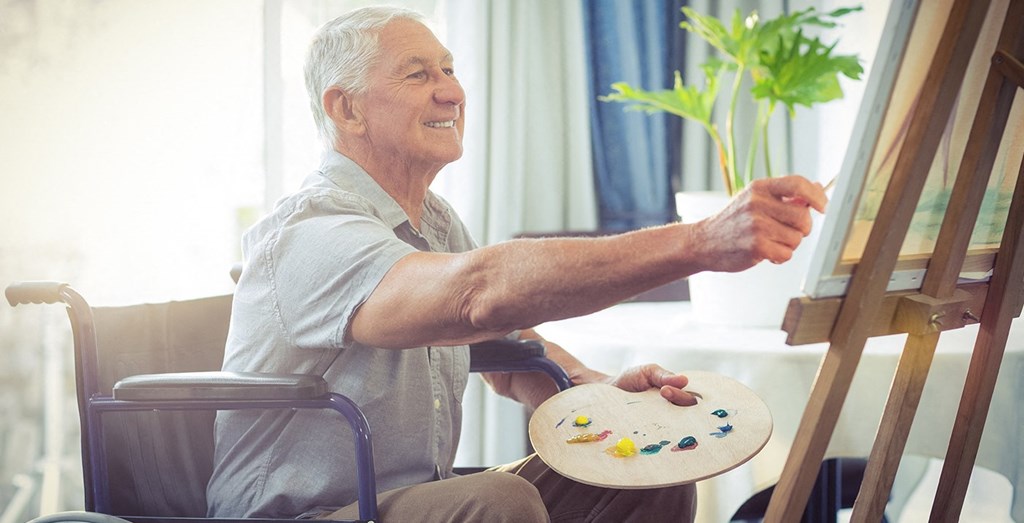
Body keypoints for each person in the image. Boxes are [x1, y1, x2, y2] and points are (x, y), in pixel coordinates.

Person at [206, 6, 827, 522]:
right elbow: (477, 295)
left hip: (407, 502)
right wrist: (699, 243)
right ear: (347, 109)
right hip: (305, 515)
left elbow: (506, 348)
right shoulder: (311, 232)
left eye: (448, 69)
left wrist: (599, 393)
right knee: (499, 500)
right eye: (418, 74)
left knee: (651, 473)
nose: (452, 90)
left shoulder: (437, 223)